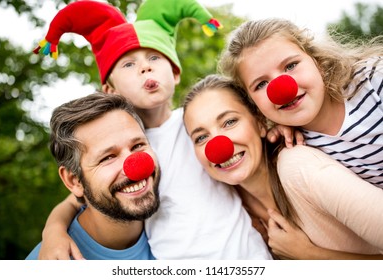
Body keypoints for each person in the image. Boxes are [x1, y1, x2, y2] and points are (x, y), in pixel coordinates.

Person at [32, 0, 271, 260]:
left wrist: (276, 129)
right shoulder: (123, 148)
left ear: (175, 73)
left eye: (154, 57)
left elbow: (243, 133)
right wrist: (53, 231)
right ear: (110, 90)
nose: (145, 67)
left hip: (250, 258)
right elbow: (75, 199)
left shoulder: (198, 123)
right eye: (128, 64)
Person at [182, 74, 383, 259]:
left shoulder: (299, 168)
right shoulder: (229, 212)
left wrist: (309, 255)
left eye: (229, 122)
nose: (218, 146)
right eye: (201, 137)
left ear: (260, 122)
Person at [218, 18, 383, 188]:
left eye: (290, 66)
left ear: (318, 62)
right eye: (261, 84)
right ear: (253, 102)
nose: (281, 90)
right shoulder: (294, 146)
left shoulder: (373, 80)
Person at [26, 92, 160, 260]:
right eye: (108, 157)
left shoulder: (179, 210)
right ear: (74, 181)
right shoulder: (51, 262)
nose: (135, 166)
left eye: (138, 145)